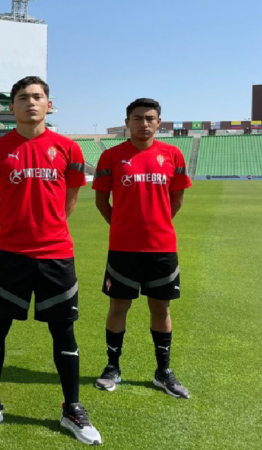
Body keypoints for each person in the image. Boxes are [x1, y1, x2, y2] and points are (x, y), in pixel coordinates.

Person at [0, 76, 101, 445]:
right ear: (11, 107)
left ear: (49, 105)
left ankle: (72, 408)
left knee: (63, 331)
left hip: (57, 255)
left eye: (37, 97)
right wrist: (18, 229)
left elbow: (71, 197)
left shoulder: (68, 149)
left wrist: (47, 229)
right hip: (10, 255)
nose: (31, 102)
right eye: (23, 98)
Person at [92, 98, 191, 398]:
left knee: (160, 308)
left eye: (150, 118)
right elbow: (101, 201)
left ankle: (163, 372)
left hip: (162, 248)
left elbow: (177, 200)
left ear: (159, 122)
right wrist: (123, 227)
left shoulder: (173, 154)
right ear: (127, 122)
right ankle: (112, 367)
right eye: (137, 118)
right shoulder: (111, 157)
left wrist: (156, 225)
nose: (143, 123)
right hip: (123, 249)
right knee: (118, 306)